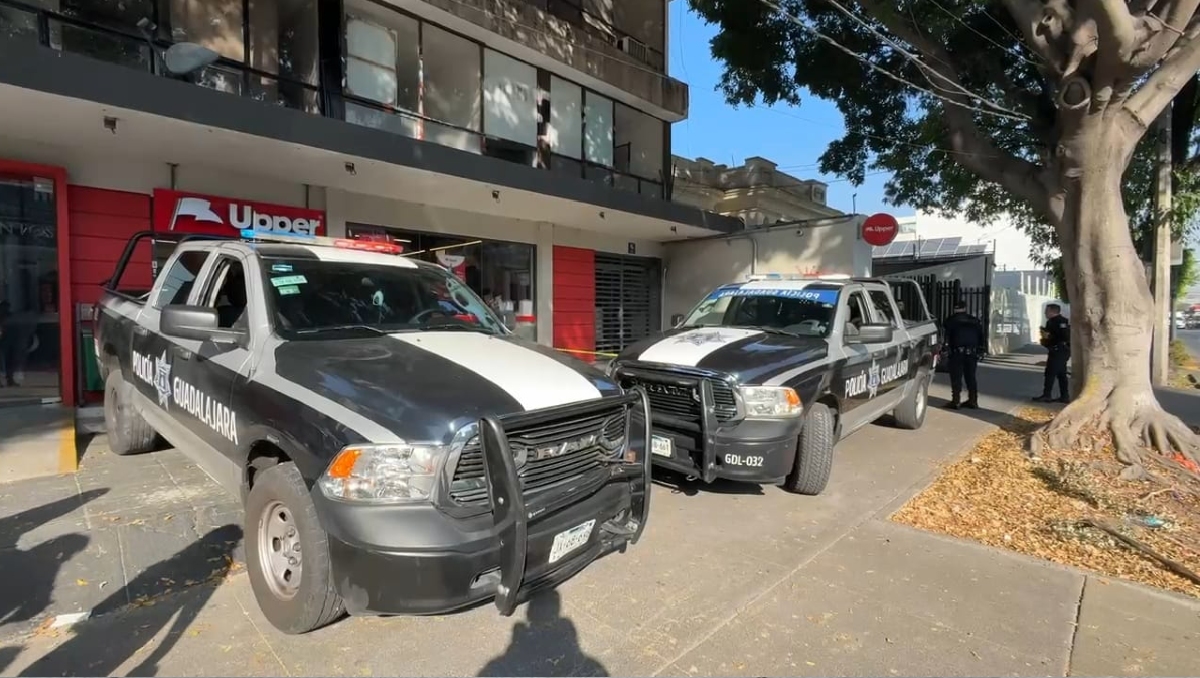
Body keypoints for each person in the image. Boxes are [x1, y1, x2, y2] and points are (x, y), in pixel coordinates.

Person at [942, 300, 985, 410]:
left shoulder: (950, 321)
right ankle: (973, 400)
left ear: (954, 309)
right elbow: (981, 337)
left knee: (956, 377)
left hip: (957, 353)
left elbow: (946, 337)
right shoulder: (975, 321)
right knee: (971, 377)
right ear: (965, 308)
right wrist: (981, 350)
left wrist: (945, 349)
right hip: (972, 353)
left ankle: (956, 401)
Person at [1034, 303, 1071, 403]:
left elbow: (1064, 337)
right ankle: (1064, 396)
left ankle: (1047, 395)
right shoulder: (1051, 321)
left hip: (1060, 350)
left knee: (1050, 373)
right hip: (1055, 350)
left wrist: (1049, 336)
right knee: (1061, 373)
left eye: (1047, 311)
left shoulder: (1060, 321)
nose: (1045, 312)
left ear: (1052, 311)